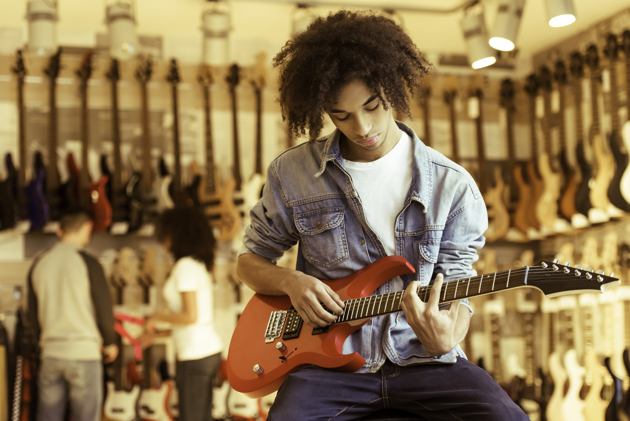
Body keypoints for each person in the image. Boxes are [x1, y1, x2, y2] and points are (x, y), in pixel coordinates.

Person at [236, 10, 528, 420]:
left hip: (423, 359)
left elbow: (458, 276)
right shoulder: (293, 174)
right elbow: (248, 262)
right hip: (327, 366)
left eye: (372, 105)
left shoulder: (453, 185)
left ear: (392, 88)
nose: (362, 126)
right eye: (342, 115)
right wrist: (290, 281)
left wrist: (448, 338)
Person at [27, 208, 118, 421]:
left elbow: (32, 313)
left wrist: (38, 344)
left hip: (50, 353)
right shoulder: (89, 262)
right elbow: (103, 305)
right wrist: (110, 341)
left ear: (59, 231)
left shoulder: (39, 262)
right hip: (83, 352)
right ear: (87, 228)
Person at [140, 207, 223, 421]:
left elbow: (190, 316)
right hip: (201, 351)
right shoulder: (195, 264)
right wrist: (157, 335)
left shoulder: (185, 266)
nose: (162, 241)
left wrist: (157, 317)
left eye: (165, 233)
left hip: (195, 355)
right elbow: (192, 321)